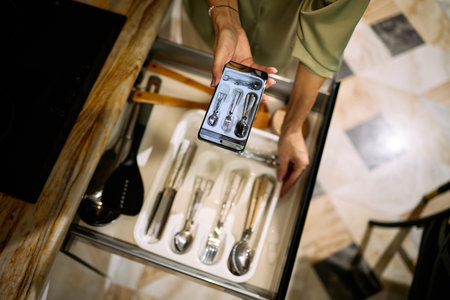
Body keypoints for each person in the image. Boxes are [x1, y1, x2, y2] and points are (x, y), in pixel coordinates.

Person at [184, 0, 369, 196]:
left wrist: (292, 128)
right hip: (208, 15)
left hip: (282, 40)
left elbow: (326, 37)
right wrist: (226, 20)